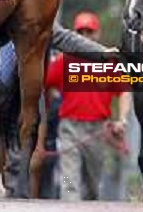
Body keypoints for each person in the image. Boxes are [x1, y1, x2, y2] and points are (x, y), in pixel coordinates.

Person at [44, 11, 131, 201]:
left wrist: (122, 119)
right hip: (69, 129)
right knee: (69, 183)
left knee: (93, 186)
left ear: (97, 35)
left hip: (97, 131)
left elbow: (125, 91)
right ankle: (69, 211)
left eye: (89, 32)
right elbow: (44, 86)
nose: (85, 36)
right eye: (80, 32)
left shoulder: (109, 63)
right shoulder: (62, 62)